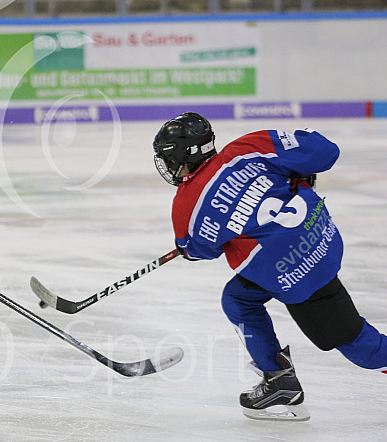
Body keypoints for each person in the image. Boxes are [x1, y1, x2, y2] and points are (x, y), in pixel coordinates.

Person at [152, 112, 387, 420]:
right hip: (322, 238)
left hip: (295, 271)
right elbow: (325, 151)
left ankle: (281, 381)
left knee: (361, 347)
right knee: (238, 298)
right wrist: (299, 170)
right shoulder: (246, 147)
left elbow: (200, 251)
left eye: (169, 158)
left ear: (183, 155)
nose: (169, 167)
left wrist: (188, 248)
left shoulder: (187, 204)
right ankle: (279, 381)